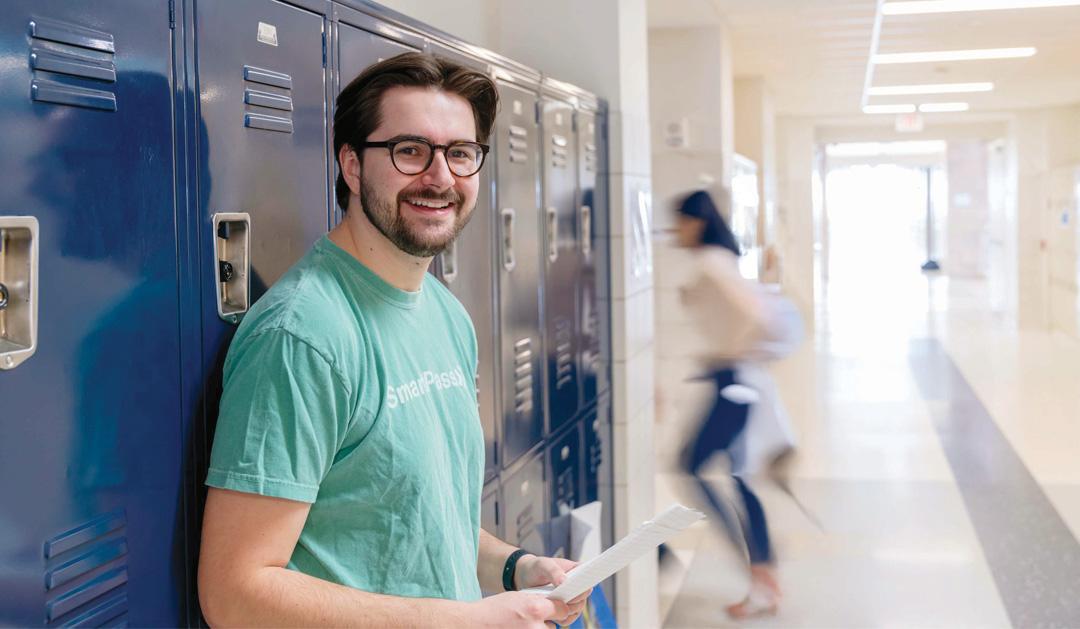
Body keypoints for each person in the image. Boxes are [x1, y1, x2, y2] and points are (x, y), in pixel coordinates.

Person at [198, 52, 589, 628]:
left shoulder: (445, 314)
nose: (441, 177)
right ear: (352, 165)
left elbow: (416, 523)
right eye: (410, 151)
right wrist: (462, 622)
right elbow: (235, 593)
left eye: (460, 153)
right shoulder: (302, 336)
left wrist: (516, 567)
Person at [675, 189, 783, 619]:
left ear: (697, 222)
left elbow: (757, 316)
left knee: (695, 466)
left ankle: (758, 570)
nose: (676, 232)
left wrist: (729, 355)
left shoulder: (709, 262)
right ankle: (761, 573)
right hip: (737, 380)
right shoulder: (720, 257)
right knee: (736, 476)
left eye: (680, 222)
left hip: (733, 382)